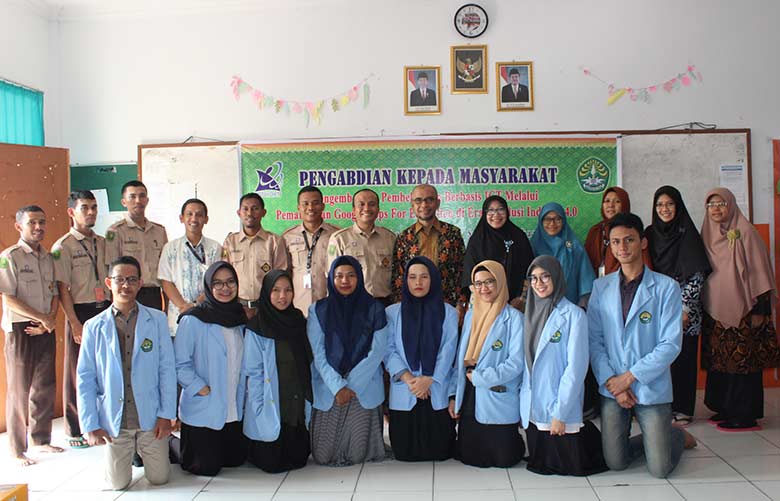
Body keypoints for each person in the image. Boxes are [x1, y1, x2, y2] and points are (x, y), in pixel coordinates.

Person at [588, 212, 695, 478]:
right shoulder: (601, 287)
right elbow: (594, 340)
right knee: (615, 462)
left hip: (649, 384)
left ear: (643, 242)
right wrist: (613, 381)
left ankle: (675, 436)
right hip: (613, 386)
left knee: (660, 470)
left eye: (629, 240)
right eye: (615, 242)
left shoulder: (666, 287)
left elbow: (670, 344)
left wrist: (630, 377)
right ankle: (654, 438)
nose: (622, 248)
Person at [77, 256, 176, 490]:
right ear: (108, 283)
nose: (125, 285)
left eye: (131, 280)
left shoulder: (157, 319)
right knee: (118, 484)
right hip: (116, 420)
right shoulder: (93, 326)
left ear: (140, 283)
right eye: (119, 279)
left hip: (150, 418)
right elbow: (84, 378)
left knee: (159, 478)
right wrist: (90, 424)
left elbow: (167, 369)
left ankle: (168, 446)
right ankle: (127, 453)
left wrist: (166, 415)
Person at [700, 187, 780, 431]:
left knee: (743, 362)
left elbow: (761, 272)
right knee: (721, 361)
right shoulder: (706, 234)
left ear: (731, 205)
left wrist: (761, 311)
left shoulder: (746, 232)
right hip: (715, 309)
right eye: (711, 204)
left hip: (745, 309)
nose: (716, 209)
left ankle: (744, 414)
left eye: (721, 203)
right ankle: (725, 407)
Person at [520, 256, 607, 476]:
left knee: (579, 464)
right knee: (541, 464)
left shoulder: (574, 315)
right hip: (534, 405)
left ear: (557, 277)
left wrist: (560, 413)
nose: (539, 283)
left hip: (560, 405)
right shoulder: (528, 314)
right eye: (534, 278)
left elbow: (576, 369)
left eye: (545, 276)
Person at [307, 256, 388, 466]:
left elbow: (377, 351)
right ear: (331, 278)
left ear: (360, 278)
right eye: (339, 276)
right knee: (323, 456)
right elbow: (319, 354)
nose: (345, 281)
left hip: (363, 385)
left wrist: (351, 385)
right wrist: (338, 386)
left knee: (357, 452)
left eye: (351, 276)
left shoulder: (375, 308)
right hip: (330, 385)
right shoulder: (318, 310)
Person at [0, 205, 62, 466]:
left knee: (45, 386)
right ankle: (16, 449)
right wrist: (41, 318)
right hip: (21, 329)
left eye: (42, 222)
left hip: (45, 328)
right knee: (19, 389)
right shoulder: (10, 257)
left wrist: (48, 321)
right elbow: (8, 297)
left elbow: (56, 293)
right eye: (32, 223)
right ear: (19, 227)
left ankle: (41, 439)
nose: (39, 227)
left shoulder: (49, 258)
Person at [449, 260, 525, 468]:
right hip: (469, 387)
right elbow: (460, 356)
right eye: (478, 283)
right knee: (470, 455)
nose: (483, 288)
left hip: (494, 387)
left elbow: (516, 363)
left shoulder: (515, 319)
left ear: (500, 282)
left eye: (490, 282)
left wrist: (482, 378)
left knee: (504, 459)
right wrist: (455, 394)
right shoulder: (472, 315)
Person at [645, 186, 711, 424]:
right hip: (656, 307)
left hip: (685, 308)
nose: (664, 209)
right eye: (660, 205)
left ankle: (683, 408)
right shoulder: (650, 234)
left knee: (683, 358)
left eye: (669, 204)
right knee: (659, 357)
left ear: (678, 206)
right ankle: (661, 406)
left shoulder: (688, 233)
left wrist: (683, 309)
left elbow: (696, 276)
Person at [175, 261, 248, 476]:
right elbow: (180, 364)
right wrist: (200, 387)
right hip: (205, 402)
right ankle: (172, 444)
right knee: (204, 468)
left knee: (234, 461)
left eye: (230, 282)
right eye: (217, 283)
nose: (225, 288)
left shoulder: (240, 319)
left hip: (233, 405)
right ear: (208, 286)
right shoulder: (193, 320)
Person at [52, 191, 111, 450]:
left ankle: (101, 420)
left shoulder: (103, 241)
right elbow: (62, 289)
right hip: (80, 311)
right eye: (85, 207)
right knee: (78, 371)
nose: (91, 212)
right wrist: (74, 322)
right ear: (71, 212)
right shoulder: (62, 246)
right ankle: (75, 428)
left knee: (105, 367)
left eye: (94, 207)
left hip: (105, 308)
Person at [385, 256, 458, 461]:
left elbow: (448, 350)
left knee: (441, 451)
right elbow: (388, 350)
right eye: (412, 277)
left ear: (433, 279)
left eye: (424, 277)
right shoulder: (392, 312)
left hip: (435, 387)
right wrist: (410, 380)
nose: (418, 283)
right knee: (404, 452)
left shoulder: (449, 312)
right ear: (405, 281)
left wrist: (428, 379)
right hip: (405, 388)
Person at [243, 270, 313, 472]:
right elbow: (254, 372)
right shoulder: (257, 326)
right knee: (272, 462)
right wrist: (257, 406)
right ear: (266, 293)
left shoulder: (299, 321)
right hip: (271, 398)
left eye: (288, 290)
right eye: (276, 290)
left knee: (298, 458)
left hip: (296, 395)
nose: (283, 296)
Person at [391, 184, 466, 309]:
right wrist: (400, 306)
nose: (424, 205)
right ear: (412, 205)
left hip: (446, 304)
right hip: (413, 306)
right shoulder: (404, 237)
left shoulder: (452, 233)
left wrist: (461, 303)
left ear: (437, 203)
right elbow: (398, 276)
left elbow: (461, 270)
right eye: (418, 200)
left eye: (429, 200)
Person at [158, 198, 223, 335]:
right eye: (189, 214)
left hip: (207, 313)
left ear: (206, 219)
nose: (194, 218)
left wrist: (195, 304)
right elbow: (166, 281)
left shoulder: (215, 248)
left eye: (199, 215)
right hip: (178, 315)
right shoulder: (170, 248)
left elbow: (216, 282)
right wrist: (183, 306)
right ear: (181, 218)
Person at [223, 193, 289, 318]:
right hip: (237, 308)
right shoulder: (230, 242)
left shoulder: (274, 241)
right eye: (245, 209)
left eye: (255, 208)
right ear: (239, 213)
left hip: (266, 308)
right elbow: (224, 277)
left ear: (263, 212)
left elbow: (280, 278)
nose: (250, 213)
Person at [106, 180, 168, 310]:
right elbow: (111, 269)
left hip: (153, 294)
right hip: (127, 293)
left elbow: (165, 270)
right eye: (132, 197)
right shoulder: (115, 231)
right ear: (124, 202)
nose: (138, 200)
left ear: (147, 200)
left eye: (142, 196)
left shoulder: (159, 231)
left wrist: (167, 304)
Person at [462, 195, 534, 305]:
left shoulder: (519, 237)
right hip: (485, 302)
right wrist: (487, 300)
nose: (496, 214)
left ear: (507, 212)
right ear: (484, 213)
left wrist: (521, 298)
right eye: (491, 210)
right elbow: (469, 277)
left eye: (501, 209)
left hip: (516, 303)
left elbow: (530, 271)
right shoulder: (477, 241)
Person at [328, 189, 395, 306]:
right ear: (354, 210)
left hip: (384, 304)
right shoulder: (339, 239)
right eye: (361, 204)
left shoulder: (389, 238)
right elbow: (332, 276)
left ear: (378, 209)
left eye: (372, 204)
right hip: (352, 304)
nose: (367, 208)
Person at [282, 186, 340, 316]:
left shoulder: (336, 235)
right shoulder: (287, 237)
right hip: (298, 308)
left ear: (323, 206)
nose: (310, 208)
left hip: (330, 306)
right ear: (298, 208)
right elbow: (285, 273)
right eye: (305, 204)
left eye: (315, 203)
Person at [530, 202, 595, 307]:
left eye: (557, 219)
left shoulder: (575, 247)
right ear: (541, 222)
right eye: (547, 219)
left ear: (563, 221)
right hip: (539, 307)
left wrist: (582, 306)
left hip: (570, 307)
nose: (552, 223)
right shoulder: (532, 247)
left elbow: (585, 279)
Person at [584, 187, 651, 277]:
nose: (611, 205)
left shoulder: (633, 228)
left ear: (625, 204)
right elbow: (586, 264)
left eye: (617, 201)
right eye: (607, 201)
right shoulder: (595, 231)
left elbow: (644, 262)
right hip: (597, 284)